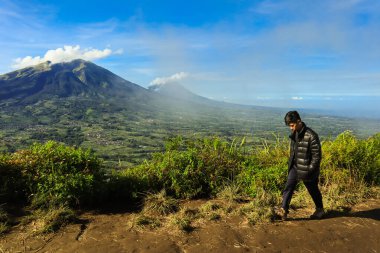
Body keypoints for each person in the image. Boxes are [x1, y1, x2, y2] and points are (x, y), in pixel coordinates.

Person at [277, 111, 325, 220]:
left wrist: (309, 169)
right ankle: (283, 210)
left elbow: (317, 157)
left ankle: (320, 209)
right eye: (289, 125)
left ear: (299, 121)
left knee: (313, 190)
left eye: (292, 125)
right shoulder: (295, 134)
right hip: (295, 167)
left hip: (307, 170)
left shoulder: (311, 136)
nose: (291, 128)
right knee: (288, 187)